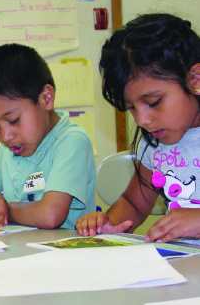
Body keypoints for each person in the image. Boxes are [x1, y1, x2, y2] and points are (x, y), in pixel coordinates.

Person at [76, 13, 200, 243]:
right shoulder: (154, 142)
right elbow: (134, 203)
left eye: (153, 102)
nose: (141, 120)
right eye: (131, 107)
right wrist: (107, 224)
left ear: (195, 79)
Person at [0, 44, 96, 228]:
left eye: (14, 120)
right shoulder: (8, 149)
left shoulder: (71, 141)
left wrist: (3, 210)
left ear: (46, 98)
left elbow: (50, 215)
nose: (5, 136)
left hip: (64, 252)